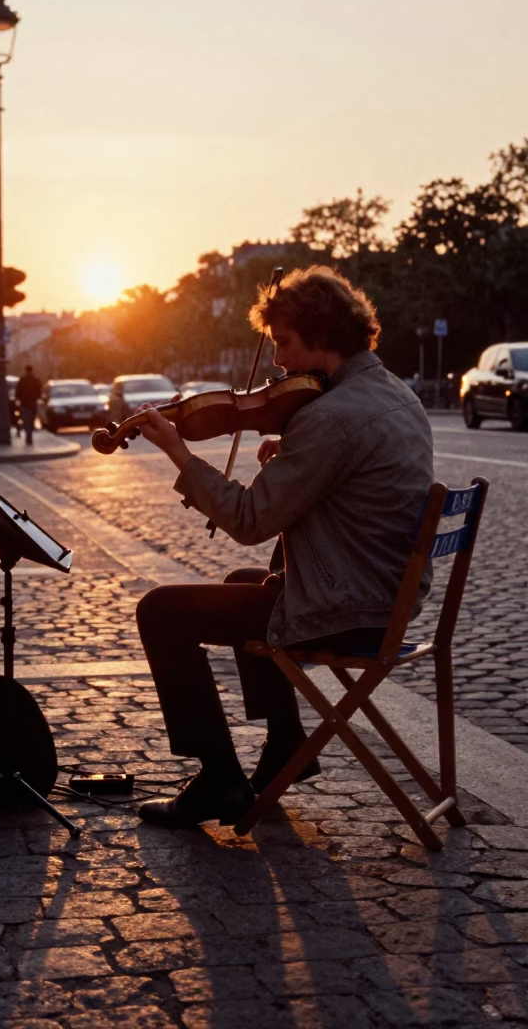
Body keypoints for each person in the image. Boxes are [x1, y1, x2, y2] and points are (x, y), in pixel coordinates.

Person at [133, 266, 433, 828]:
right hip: (393, 597)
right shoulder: (396, 394)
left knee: (160, 610)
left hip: (352, 609)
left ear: (321, 338)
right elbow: (353, 483)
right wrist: (295, 463)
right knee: (245, 584)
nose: (277, 364)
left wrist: (179, 452)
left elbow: (249, 520)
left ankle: (219, 778)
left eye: (286, 344)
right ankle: (285, 747)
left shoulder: (329, 419)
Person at [15, 364, 42, 445]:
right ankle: (29, 436)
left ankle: (28, 436)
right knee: (30, 421)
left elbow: (18, 392)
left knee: (26, 420)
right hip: (32, 403)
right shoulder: (35, 380)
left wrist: (19, 399)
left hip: (24, 403)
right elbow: (39, 392)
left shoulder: (22, 380)